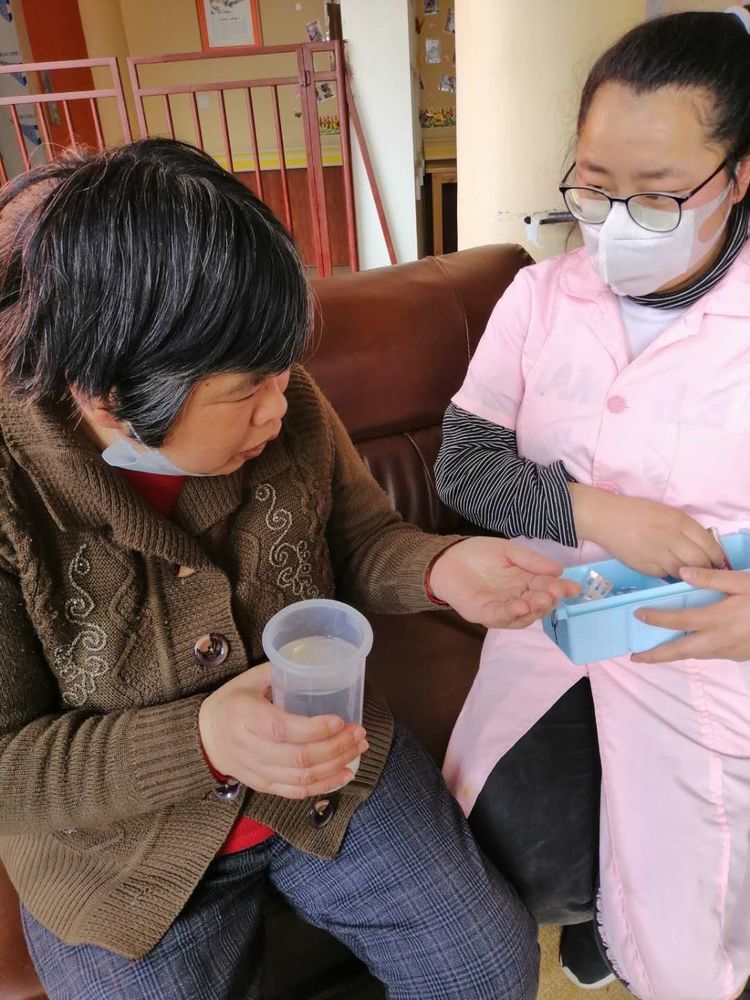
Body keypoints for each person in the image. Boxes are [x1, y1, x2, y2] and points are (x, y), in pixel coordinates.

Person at [0, 138, 578, 1000]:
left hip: (331, 769)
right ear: (109, 397)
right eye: (246, 391)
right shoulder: (15, 487)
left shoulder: (287, 400)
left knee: (487, 972)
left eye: (283, 372)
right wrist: (203, 741)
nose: (282, 405)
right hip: (118, 855)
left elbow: (359, 539)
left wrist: (442, 569)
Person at [435, 9, 750, 1000]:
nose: (615, 221)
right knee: (512, 854)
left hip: (716, 638)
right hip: (561, 612)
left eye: (657, 195)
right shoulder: (539, 300)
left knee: (697, 927)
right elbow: (464, 465)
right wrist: (597, 514)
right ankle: (599, 911)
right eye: (596, 187)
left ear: (739, 176)